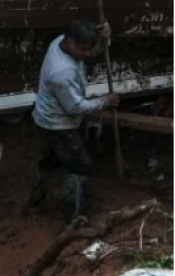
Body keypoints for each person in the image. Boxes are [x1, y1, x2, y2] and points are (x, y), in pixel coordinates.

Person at [29, 20, 119, 225]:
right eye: (84, 49)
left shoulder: (60, 42)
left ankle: (37, 196)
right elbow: (75, 107)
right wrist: (105, 100)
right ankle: (75, 219)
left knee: (52, 158)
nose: (87, 54)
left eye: (89, 49)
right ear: (70, 42)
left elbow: (90, 47)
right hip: (60, 125)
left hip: (43, 118)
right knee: (80, 166)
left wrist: (103, 37)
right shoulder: (63, 72)